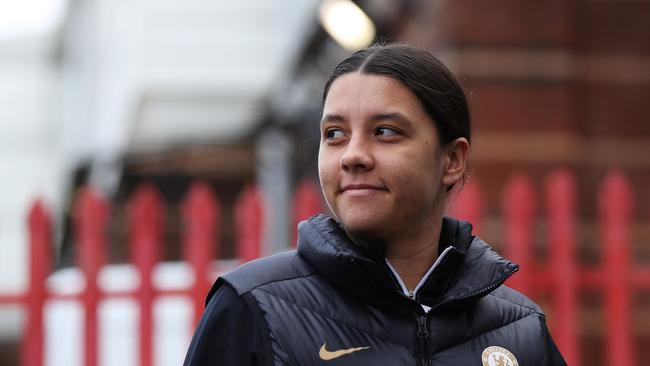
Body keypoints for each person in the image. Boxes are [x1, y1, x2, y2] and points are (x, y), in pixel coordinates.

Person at [184, 43, 566, 366]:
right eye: (334, 134)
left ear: (452, 160)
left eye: (385, 132)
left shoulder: (520, 331)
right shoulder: (254, 308)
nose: (353, 156)